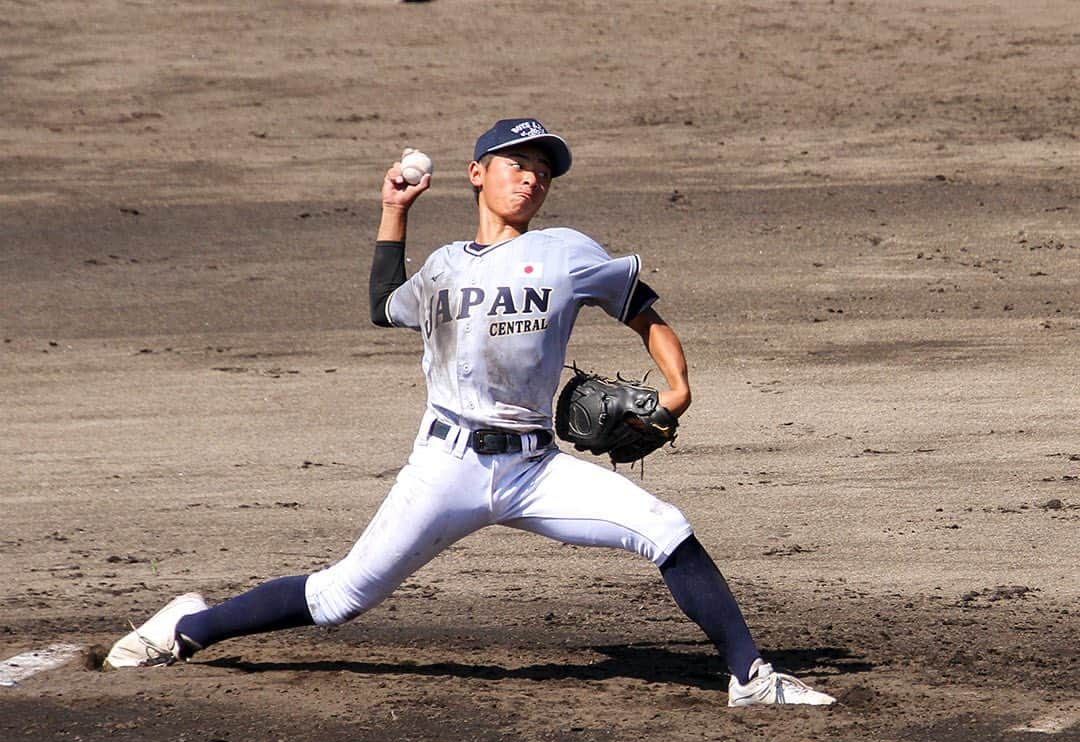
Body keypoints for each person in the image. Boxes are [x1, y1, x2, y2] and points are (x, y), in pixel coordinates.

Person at [106, 118, 835, 707]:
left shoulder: (566, 253)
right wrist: (394, 210)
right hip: (445, 467)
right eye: (517, 161)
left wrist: (677, 388)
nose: (532, 175)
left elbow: (643, 312)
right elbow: (380, 306)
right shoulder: (442, 267)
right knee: (340, 596)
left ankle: (750, 677)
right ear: (478, 172)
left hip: (533, 467)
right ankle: (186, 628)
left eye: (543, 168)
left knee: (666, 528)